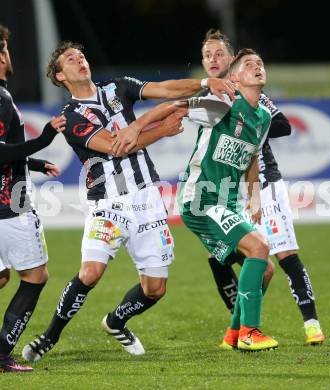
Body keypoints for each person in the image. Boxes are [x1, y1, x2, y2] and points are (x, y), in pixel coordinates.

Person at [21, 40, 236, 363]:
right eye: (70, 59)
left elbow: (164, 90)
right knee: (91, 272)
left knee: (155, 289)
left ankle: (116, 321)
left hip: (147, 196)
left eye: (81, 55)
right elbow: (114, 146)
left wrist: (205, 82)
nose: (80, 60)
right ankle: (48, 337)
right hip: (107, 202)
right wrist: (161, 129)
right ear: (59, 76)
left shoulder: (117, 88)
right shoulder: (71, 116)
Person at [200, 29, 325, 349]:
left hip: (264, 184)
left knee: (283, 255)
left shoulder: (251, 94)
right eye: (207, 55)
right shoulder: (211, 96)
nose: (213, 60)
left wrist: (251, 124)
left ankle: (311, 324)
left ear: (230, 61)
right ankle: (238, 325)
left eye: (218, 54)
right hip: (224, 189)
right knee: (220, 258)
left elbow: (282, 124)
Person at [175, 48, 278, 352]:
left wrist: (255, 197)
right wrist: (139, 129)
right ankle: (250, 332)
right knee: (259, 247)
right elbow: (178, 108)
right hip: (201, 199)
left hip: (228, 201)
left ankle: (233, 334)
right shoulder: (222, 103)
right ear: (234, 77)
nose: (257, 67)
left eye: (260, 63)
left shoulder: (263, 117)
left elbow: (252, 157)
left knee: (265, 268)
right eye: (249, 64)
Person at [0, 24, 65, 373]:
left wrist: (34, 162)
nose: (10, 56)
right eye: (6, 50)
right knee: (35, 276)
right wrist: (44, 139)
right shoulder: (0, 97)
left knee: (1, 277)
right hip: (11, 206)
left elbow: (6, 150)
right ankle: (1, 354)